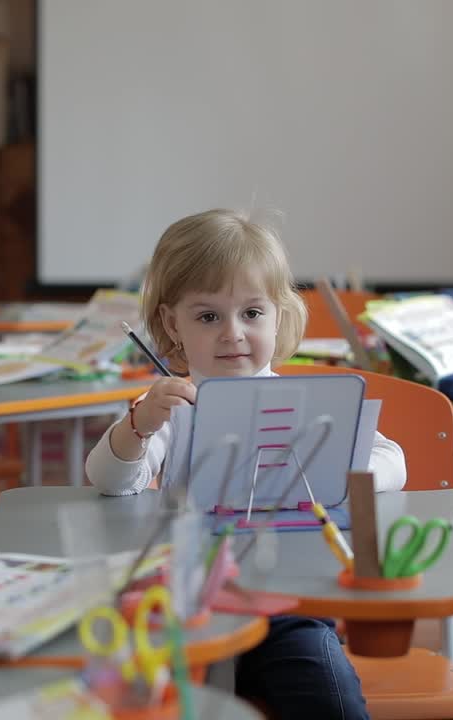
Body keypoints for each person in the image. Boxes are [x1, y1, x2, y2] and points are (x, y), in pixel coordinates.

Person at [86, 208, 407, 720]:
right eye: (208, 316)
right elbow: (108, 480)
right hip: (186, 612)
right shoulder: (175, 405)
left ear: (278, 314)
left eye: (251, 313)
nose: (232, 333)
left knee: (330, 698)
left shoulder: (308, 399)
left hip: (291, 607)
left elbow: (393, 459)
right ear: (173, 323)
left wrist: (343, 473)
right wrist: (140, 423)